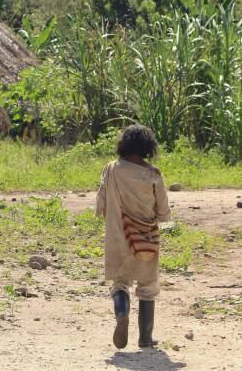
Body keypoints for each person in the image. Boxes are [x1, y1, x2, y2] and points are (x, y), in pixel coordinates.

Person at [96, 125, 172, 349]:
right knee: (148, 286)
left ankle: (122, 313)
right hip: (145, 237)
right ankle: (145, 338)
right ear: (148, 147)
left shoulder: (110, 169)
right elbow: (163, 211)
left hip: (117, 236)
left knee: (120, 283)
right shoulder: (152, 175)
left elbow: (101, 203)